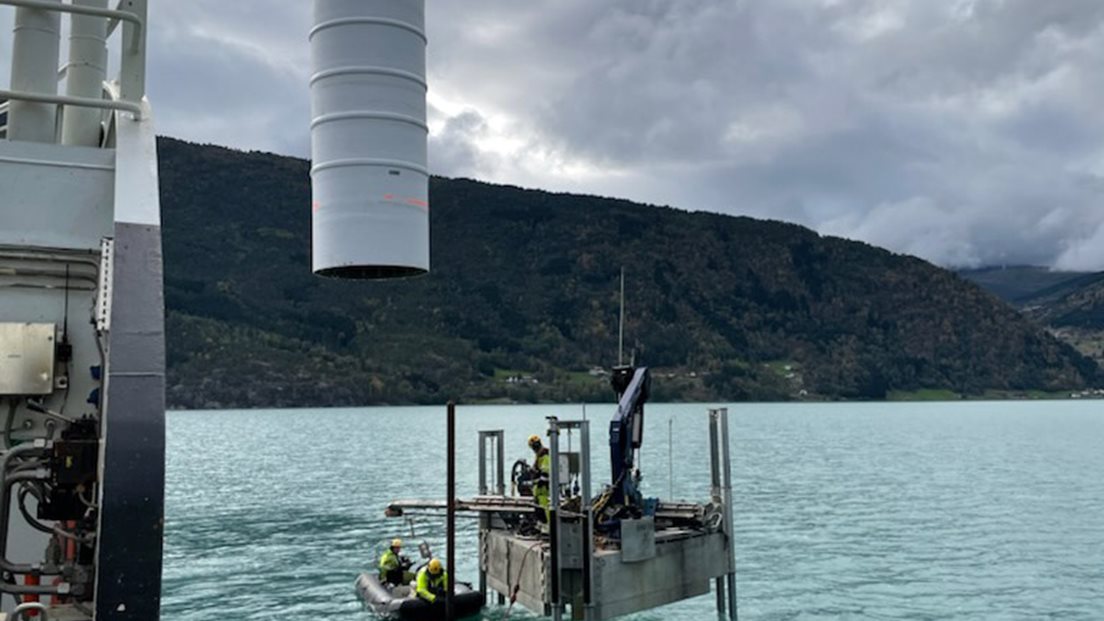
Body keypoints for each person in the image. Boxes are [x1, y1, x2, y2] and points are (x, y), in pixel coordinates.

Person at [528, 434, 551, 522]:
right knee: (540, 512)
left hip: (543, 491)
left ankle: (550, 527)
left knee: (545, 511)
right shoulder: (540, 456)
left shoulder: (544, 456)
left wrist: (537, 481)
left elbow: (545, 474)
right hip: (539, 492)